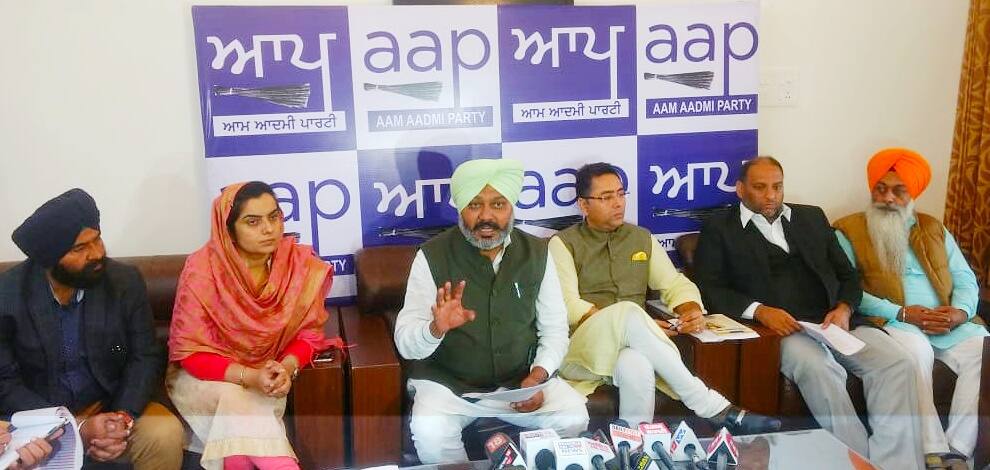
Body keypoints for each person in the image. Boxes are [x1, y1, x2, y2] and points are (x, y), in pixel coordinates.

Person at [693, 157, 924, 470]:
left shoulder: (811, 217)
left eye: (777, 187)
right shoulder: (720, 228)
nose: (771, 195)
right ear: (740, 189)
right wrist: (760, 311)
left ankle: (895, 465)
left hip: (834, 322)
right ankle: (856, 462)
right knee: (820, 369)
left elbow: (848, 276)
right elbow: (710, 288)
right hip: (782, 331)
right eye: (760, 187)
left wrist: (844, 308)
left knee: (898, 363)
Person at [550, 162, 780, 432]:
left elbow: (673, 283)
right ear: (584, 205)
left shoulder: (641, 238)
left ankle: (635, 442)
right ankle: (710, 405)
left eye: (621, 194)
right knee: (629, 312)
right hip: (582, 350)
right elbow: (568, 305)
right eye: (606, 197)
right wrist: (634, 324)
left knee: (636, 363)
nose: (618, 203)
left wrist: (690, 309)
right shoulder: (563, 243)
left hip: (633, 346)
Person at [394, 158, 589, 464]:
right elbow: (406, 343)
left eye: (498, 204)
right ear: (460, 209)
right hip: (448, 386)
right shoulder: (431, 255)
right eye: (474, 205)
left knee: (573, 416)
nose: (486, 216)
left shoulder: (537, 253)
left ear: (511, 207)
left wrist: (538, 377)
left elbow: (554, 329)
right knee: (430, 433)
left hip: (518, 383)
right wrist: (435, 328)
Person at [0, 188, 184, 469]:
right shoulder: (7, 296)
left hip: (110, 405)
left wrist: (122, 417)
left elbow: (144, 355)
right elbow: (5, 381)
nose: (97, 254)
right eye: (80, 248)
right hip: (37, 417)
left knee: (164, 433)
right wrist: (74, 426)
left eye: (97, 239)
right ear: (50, 259)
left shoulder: (123, 281)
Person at [168, 181, 341, 470]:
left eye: (274, 217)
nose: (269, 229)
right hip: (209, 379)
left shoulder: (298, 265)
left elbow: (309, 335)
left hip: (268, 375)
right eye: (253, 221)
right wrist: (250, 376)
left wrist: (285, 368)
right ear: (229, 229)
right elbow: (190, 354)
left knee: (239, 425)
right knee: (236, 399)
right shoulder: (203, 270)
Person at [834, 148, 987, 469]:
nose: (888, 197)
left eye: (898, 190)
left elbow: (964, 278)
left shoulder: (933, 228)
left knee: (983, 351)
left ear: (913, 193)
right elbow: (848, 290)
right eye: (880, 189)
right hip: (894, 322)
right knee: (916, 352)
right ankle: (932, 449)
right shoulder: (848, 230)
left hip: (947, 322)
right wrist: (902, 313)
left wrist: (959, 312)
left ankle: (959, 449)